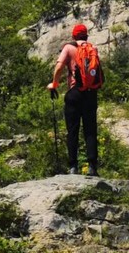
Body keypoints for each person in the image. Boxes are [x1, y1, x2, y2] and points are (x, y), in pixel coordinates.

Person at [47, 23, 103, 176]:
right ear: (86, 36)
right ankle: (92, 167)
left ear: (73, 36)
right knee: (90, 130)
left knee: (72, 130)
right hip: (91, 93)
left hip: (75, 92)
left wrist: (54, 84)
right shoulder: (93, 49)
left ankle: (73, 167)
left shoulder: (69, 48)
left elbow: (58, 68)